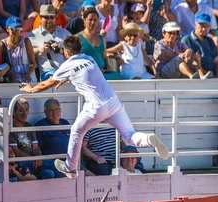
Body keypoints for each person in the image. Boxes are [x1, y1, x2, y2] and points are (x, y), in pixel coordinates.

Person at [21, 35, 170, 179]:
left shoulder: (67, 65)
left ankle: (70, 168)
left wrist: (31, 89)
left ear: (66, 52)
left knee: (76, 131)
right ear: (80, 49)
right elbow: (85, 74)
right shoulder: (89, 58)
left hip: (96, 106)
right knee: (130, 136)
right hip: (114, 103)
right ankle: (149, 139)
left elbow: (47, 83)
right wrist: (64, 79)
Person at [9, 99, 60, 179]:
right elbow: (16, 151)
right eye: (21, 110)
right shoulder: (11, 128)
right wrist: (33, 159)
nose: (25, 113)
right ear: (14, 112)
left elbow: (36, 147)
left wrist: (38, 157)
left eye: (26, 110)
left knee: (49, 174)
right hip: (21, 163)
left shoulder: (29, 126)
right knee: (53, 164)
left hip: (34, 162)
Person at [78, 7, 124, 80]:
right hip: (87, 73)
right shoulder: (78, 38)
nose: (93, 22)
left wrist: (108, 66)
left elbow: (104, 56)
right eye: (90, 20)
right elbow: (77, 59)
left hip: (103, 72)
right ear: (84, 20)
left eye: (95, 20)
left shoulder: (102, 38)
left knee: (122, 79)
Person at [27, 4, 70, 81]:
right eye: (46, 17)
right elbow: (23, 54)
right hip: (45, 76)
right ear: (40, 18)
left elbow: (75, 54)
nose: (49, 20)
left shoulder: (65, 34)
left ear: (55, 17)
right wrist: (39, 50)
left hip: (65, 75)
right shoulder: (31, 36)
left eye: (52, 17)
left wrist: (61, 50)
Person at [180, 13, 218, 78]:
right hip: (196, 75)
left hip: (212, 74)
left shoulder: (210, 40)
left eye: (206, 26)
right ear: (195, 25)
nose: (204, 29)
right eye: (201, 25)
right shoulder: (186, 40)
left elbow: (216, 59)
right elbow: (187, 60)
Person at [2, 16, 37, 83]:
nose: (16, 32)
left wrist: (27, 75)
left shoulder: (26, 41)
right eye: (13, 29)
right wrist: (10, 74)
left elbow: (33, 63)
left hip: (27, 75)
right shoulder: (3, 44)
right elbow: (1, 64)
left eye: (18, 29)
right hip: (11, 77)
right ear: (7, 29)